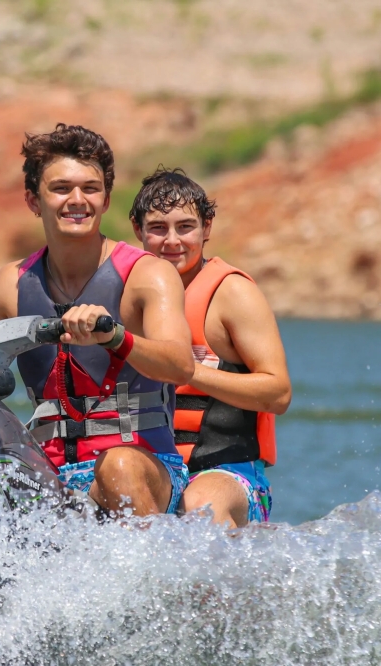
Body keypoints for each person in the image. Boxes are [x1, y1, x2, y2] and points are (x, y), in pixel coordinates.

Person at [0, 124, 194, 517]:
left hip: (144, 467)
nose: (77, 200)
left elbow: (180, 365)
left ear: (107, 199)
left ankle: (152, 577)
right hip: (51, 475)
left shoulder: (147, 275)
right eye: (61, 188)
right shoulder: (8, 286)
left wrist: (114, 337)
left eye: (90, 188)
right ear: (34, 200)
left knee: (118, 464)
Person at [130, 167, 291, 528]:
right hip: (155, 474)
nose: (172, 240)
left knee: (200, 508)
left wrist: (186, 371)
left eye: (185, 227)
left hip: (229, 476)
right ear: (138, 230)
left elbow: (278, 393)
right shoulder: (125, 295)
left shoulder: (232, 294)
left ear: (207, 227)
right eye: (158, 228)